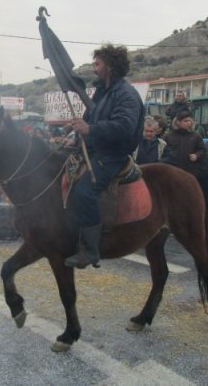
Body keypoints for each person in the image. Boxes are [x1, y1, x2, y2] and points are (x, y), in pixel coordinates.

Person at [65, 44, 145, 269]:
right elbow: (88, 120)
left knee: (84, 189)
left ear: (110, 66)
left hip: (113, 154)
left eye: (97, 64)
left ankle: (90, 250)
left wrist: (89, 129)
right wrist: (76, 135)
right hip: (93, 149)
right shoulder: (101, 92)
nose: (94, 68)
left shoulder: (126, 94)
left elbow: (124, 127)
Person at [162, 111, 205, 179]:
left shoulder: (196, 136)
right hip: (173, 171)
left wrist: (197, 155)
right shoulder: (168, 136)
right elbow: (162, 152)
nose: (188, 123)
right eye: (185, 121)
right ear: (178, 122)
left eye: (190, 121)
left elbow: (202, 150)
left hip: (190, 172)